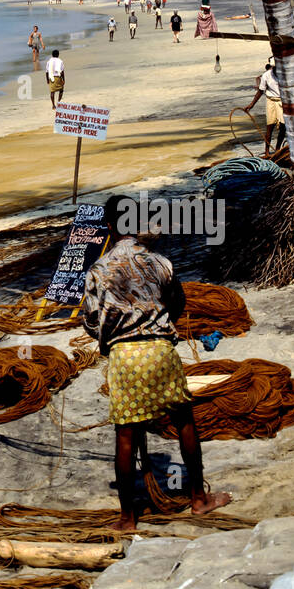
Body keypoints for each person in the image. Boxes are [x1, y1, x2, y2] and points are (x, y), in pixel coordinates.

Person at [82, 195, 231, 530]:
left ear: (108, 227)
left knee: (126, 435)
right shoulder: (160, 262)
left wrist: (113, 330)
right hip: (161, 350)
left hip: (125, 356)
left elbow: (91, 322)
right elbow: (177, 303)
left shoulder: (97, 270)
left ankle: (127, 518)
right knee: (184, 421)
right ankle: (198, 498)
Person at [244, 59, 285, 157]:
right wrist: (251, 104)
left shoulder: (285, 74)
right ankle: (267, 151)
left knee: (283, 127)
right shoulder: (266, 75)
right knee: (270, 126)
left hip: (282, 101)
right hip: (271, 100)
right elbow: (260, 91)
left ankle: (277, 149)